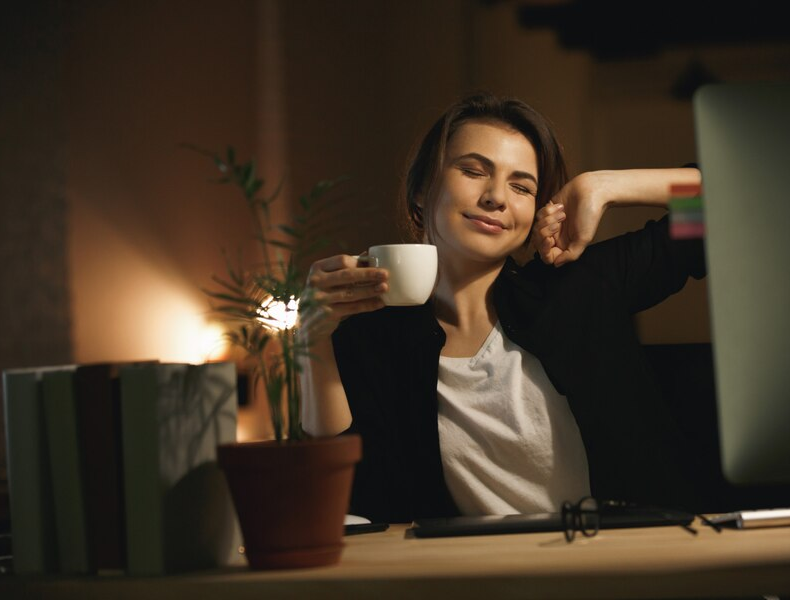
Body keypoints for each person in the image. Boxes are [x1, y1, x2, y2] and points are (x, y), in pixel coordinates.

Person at [298, 92, 705, 523]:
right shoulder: (373, 339)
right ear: (420, 190)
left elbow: (734, 202)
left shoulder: (583, 287)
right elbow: (347, 498)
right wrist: (314, 338)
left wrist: (603, 185)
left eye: (521, 186)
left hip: (639, 560)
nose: (496, 197)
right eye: (473, 171)